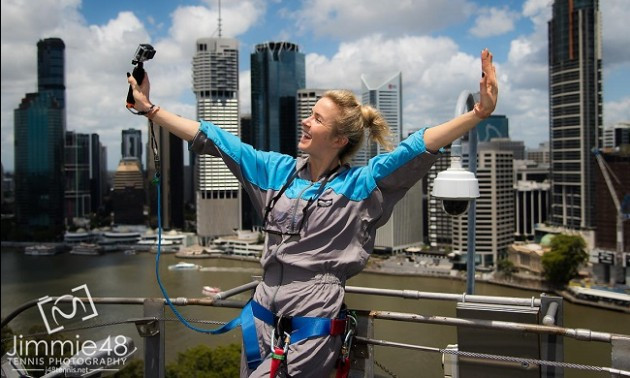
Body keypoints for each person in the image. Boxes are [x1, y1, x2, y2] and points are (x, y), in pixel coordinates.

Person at [127, 49, 498, 377]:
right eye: (310, 115)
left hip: (313, 320)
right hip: (260, 316)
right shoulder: (276, 172)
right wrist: (150, 109)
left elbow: (414, 148)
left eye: (317, 119)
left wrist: (478, 113)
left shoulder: (362, 185)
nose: (305, 121)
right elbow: (215, 138)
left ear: (339, 140)